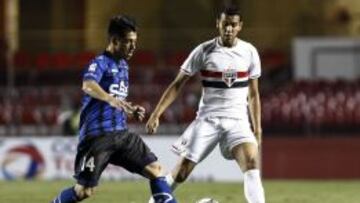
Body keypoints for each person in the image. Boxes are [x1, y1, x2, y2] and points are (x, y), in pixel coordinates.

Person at [51, 15, 177, 203]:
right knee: (83, 191)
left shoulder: (124, 66)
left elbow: (117, 99)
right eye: (128, 42)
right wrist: (110, 99)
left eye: (135, 41)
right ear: (115, 41)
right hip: (98, 137)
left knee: (156, 170)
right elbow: (88, 85)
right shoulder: (99, 62)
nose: (133, 47)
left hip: (121, 134)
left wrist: (130, 109)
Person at [146, 6, 265, 203]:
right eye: (225, 24)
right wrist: (156, 113)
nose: (229, 29)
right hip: (208, 120)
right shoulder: (203, 51)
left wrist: (257, 129)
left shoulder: (249, 52)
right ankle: (154, 202)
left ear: (240, 26)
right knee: (182, 172)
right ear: (218, 24)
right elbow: (177, 84)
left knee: (252, 163)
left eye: (233, 25)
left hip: (238, 121)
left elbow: (254, 94)